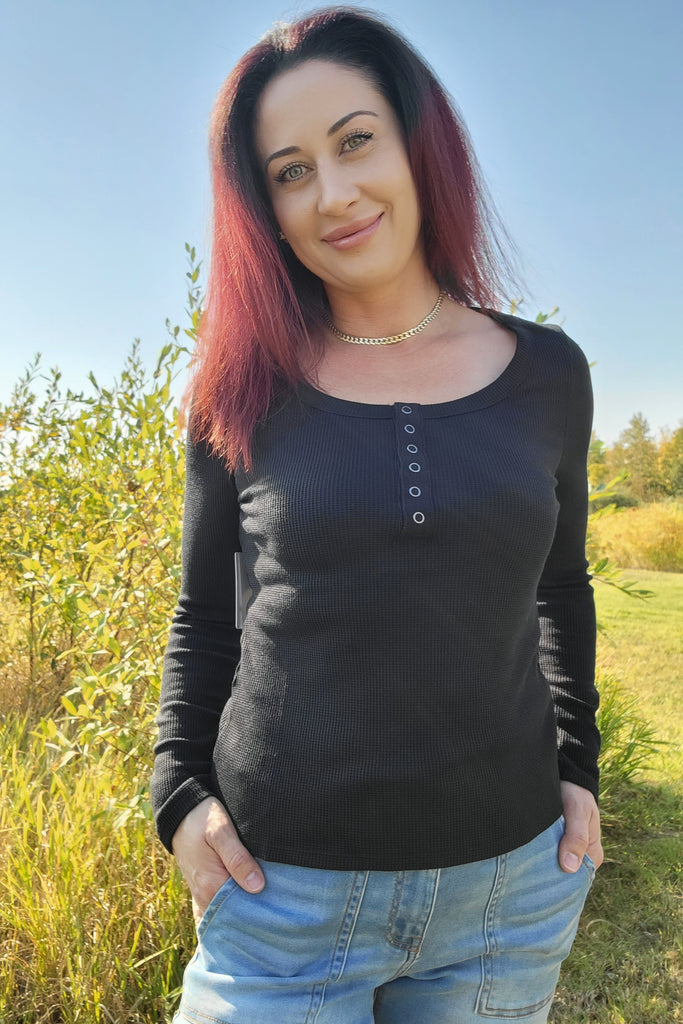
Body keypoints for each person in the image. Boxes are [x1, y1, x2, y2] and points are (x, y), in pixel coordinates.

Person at [150, 7, 603, 1022]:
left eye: (355, 141)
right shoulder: (237, 391)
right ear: (264, 207)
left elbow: (559, 588)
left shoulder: (547, 374)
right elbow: (205, 616)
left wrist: (577, 767)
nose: (334, 193)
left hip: (506, 901)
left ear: (416, 143)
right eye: (290, 170)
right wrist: (177, 795)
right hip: (280, 900)